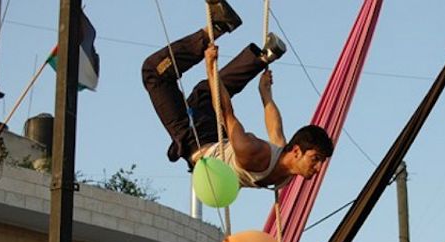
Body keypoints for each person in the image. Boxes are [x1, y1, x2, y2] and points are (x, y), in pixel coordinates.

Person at [141, 0, 334, 188]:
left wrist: (265, 95)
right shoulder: (252, 150)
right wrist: (211, 68)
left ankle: (255, 53)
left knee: (204, 93)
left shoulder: (287, 168)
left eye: (320, 162)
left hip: (210, 141)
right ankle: (219, 32)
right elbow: (226, 112)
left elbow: (276, 132)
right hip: (199, 140)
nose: (318, 168)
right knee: (155, 73)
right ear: (297, 151)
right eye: (315, 159)